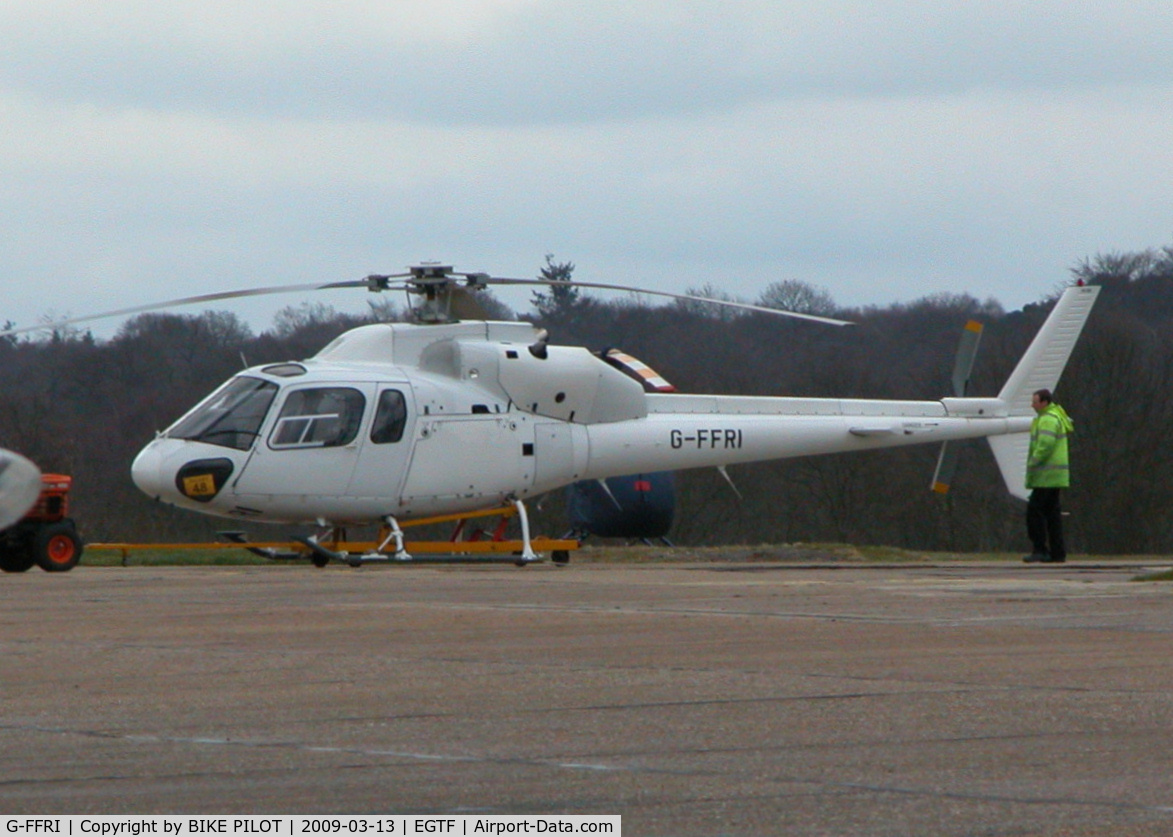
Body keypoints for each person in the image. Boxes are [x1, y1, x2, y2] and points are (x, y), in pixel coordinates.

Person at [1023, 388, 1073, 564]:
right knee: (1052, 514)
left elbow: (1045, 444)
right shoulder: (1055, 417)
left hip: (1047, 475)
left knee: (1034, 512)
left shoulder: (1047, 420)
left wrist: (1033, 461)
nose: (1032, 405)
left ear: (1044, 402)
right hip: (1055, 476)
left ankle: (1040, 549)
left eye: (1035, 401)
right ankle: (1058, 552)